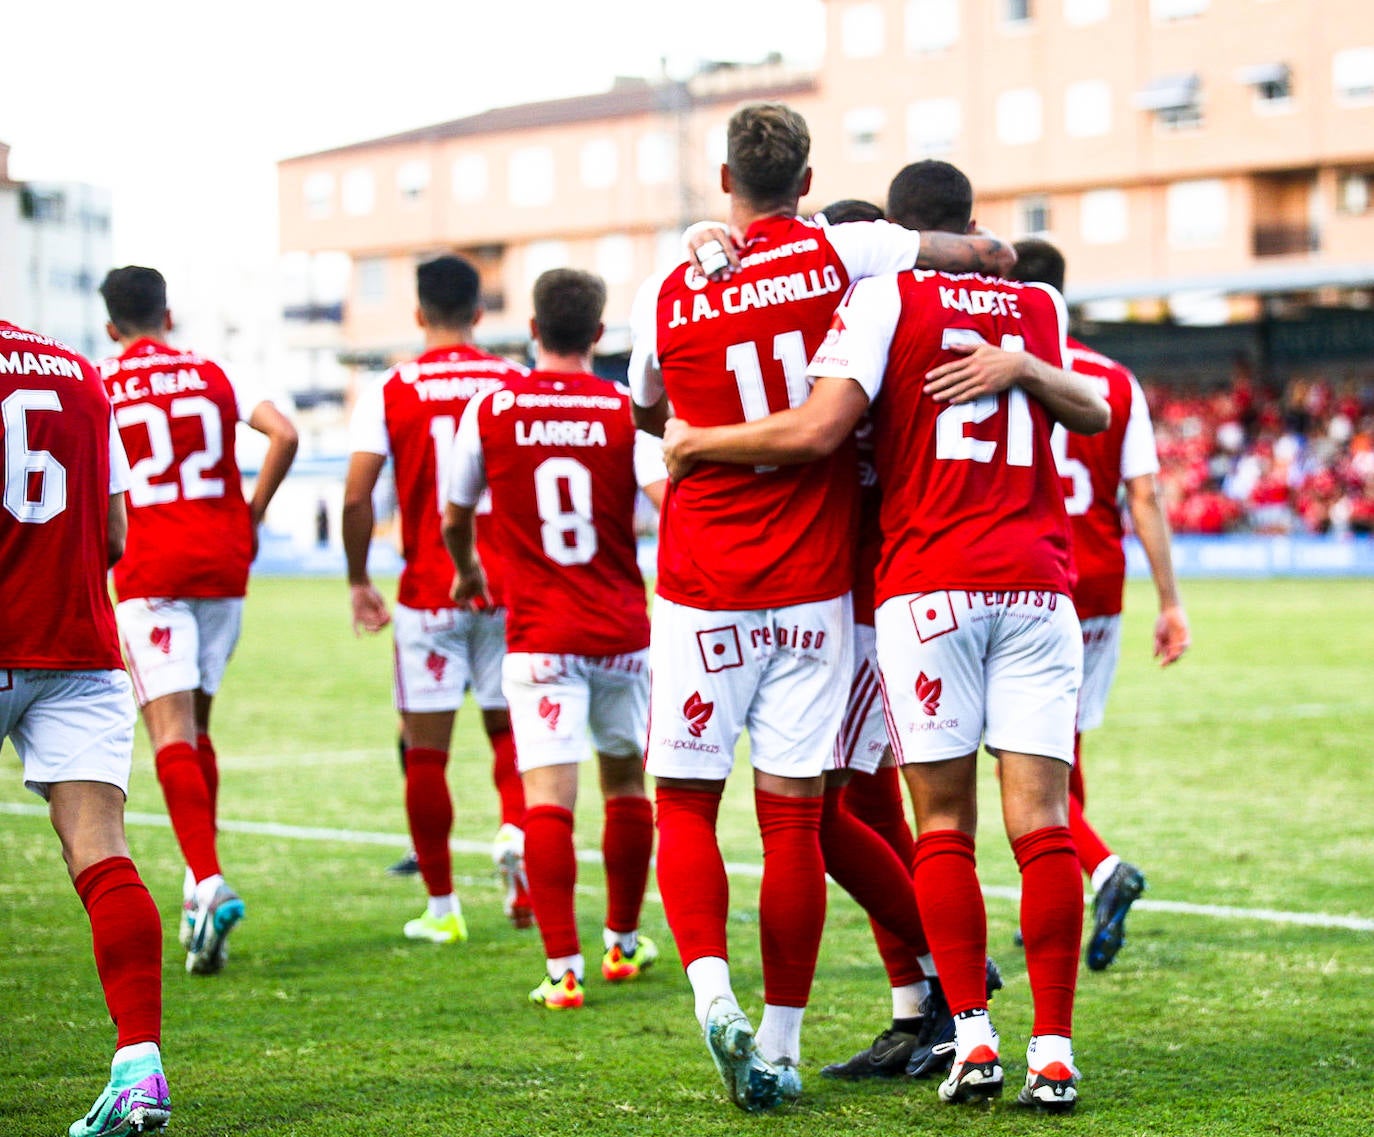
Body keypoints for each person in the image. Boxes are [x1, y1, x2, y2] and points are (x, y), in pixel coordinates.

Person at [660, 162, 1110, 1112]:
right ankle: (945, 1008)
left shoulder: (878, 300)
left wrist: (697, 439)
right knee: (908, 815)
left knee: (849, 817)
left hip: (879, 592)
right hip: (980, 582)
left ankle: (949, 1004)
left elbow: (822, 427)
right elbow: (1080, 387)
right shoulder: (1029, 308)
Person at [442, 268, 666, 1008]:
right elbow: (666, 500)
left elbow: (454, 514)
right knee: (627, 783)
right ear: (599, 335)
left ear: (532, 330)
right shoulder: (621, 409)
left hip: (538, 635)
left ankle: (562, 969)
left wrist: (469, 570)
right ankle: (624, 944)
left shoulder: (491, 408)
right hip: (620, 631)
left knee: (548, 802)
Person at [99, 266, 298, 975]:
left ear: (112, 326)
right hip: (222, 563)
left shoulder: (103, 379)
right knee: (199, 728)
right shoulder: (216, 373)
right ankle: (196, 887)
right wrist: (252, 512)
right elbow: (285, 433)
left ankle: (208, 879)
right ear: (169, 315)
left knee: (170, 731)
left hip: (154, 567)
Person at [1, 319, 172, 1136]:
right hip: (78, 644)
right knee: (102, 851)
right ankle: (140, 1066)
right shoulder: (78, 371)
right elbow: (112, 533)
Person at [1010, 237, 1191, 970]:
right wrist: (1170, 600)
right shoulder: (1115, 378)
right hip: (1101, 588)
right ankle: (1055, 886)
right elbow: (1143, 495)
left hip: (1030, 577)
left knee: (1019, 758)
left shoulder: (999, 367)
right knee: (1063, 743)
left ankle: (1102, 866)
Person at [344, 254, 531, 941]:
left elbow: (358, 496)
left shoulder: (389, 389)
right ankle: (516, 837)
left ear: (419, 314)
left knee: (426, 753)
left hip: (429, 589)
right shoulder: (515, 383)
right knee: (510, 736)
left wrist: (359, 578)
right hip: (505, 587)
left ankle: (444, 909)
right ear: (480, 314)